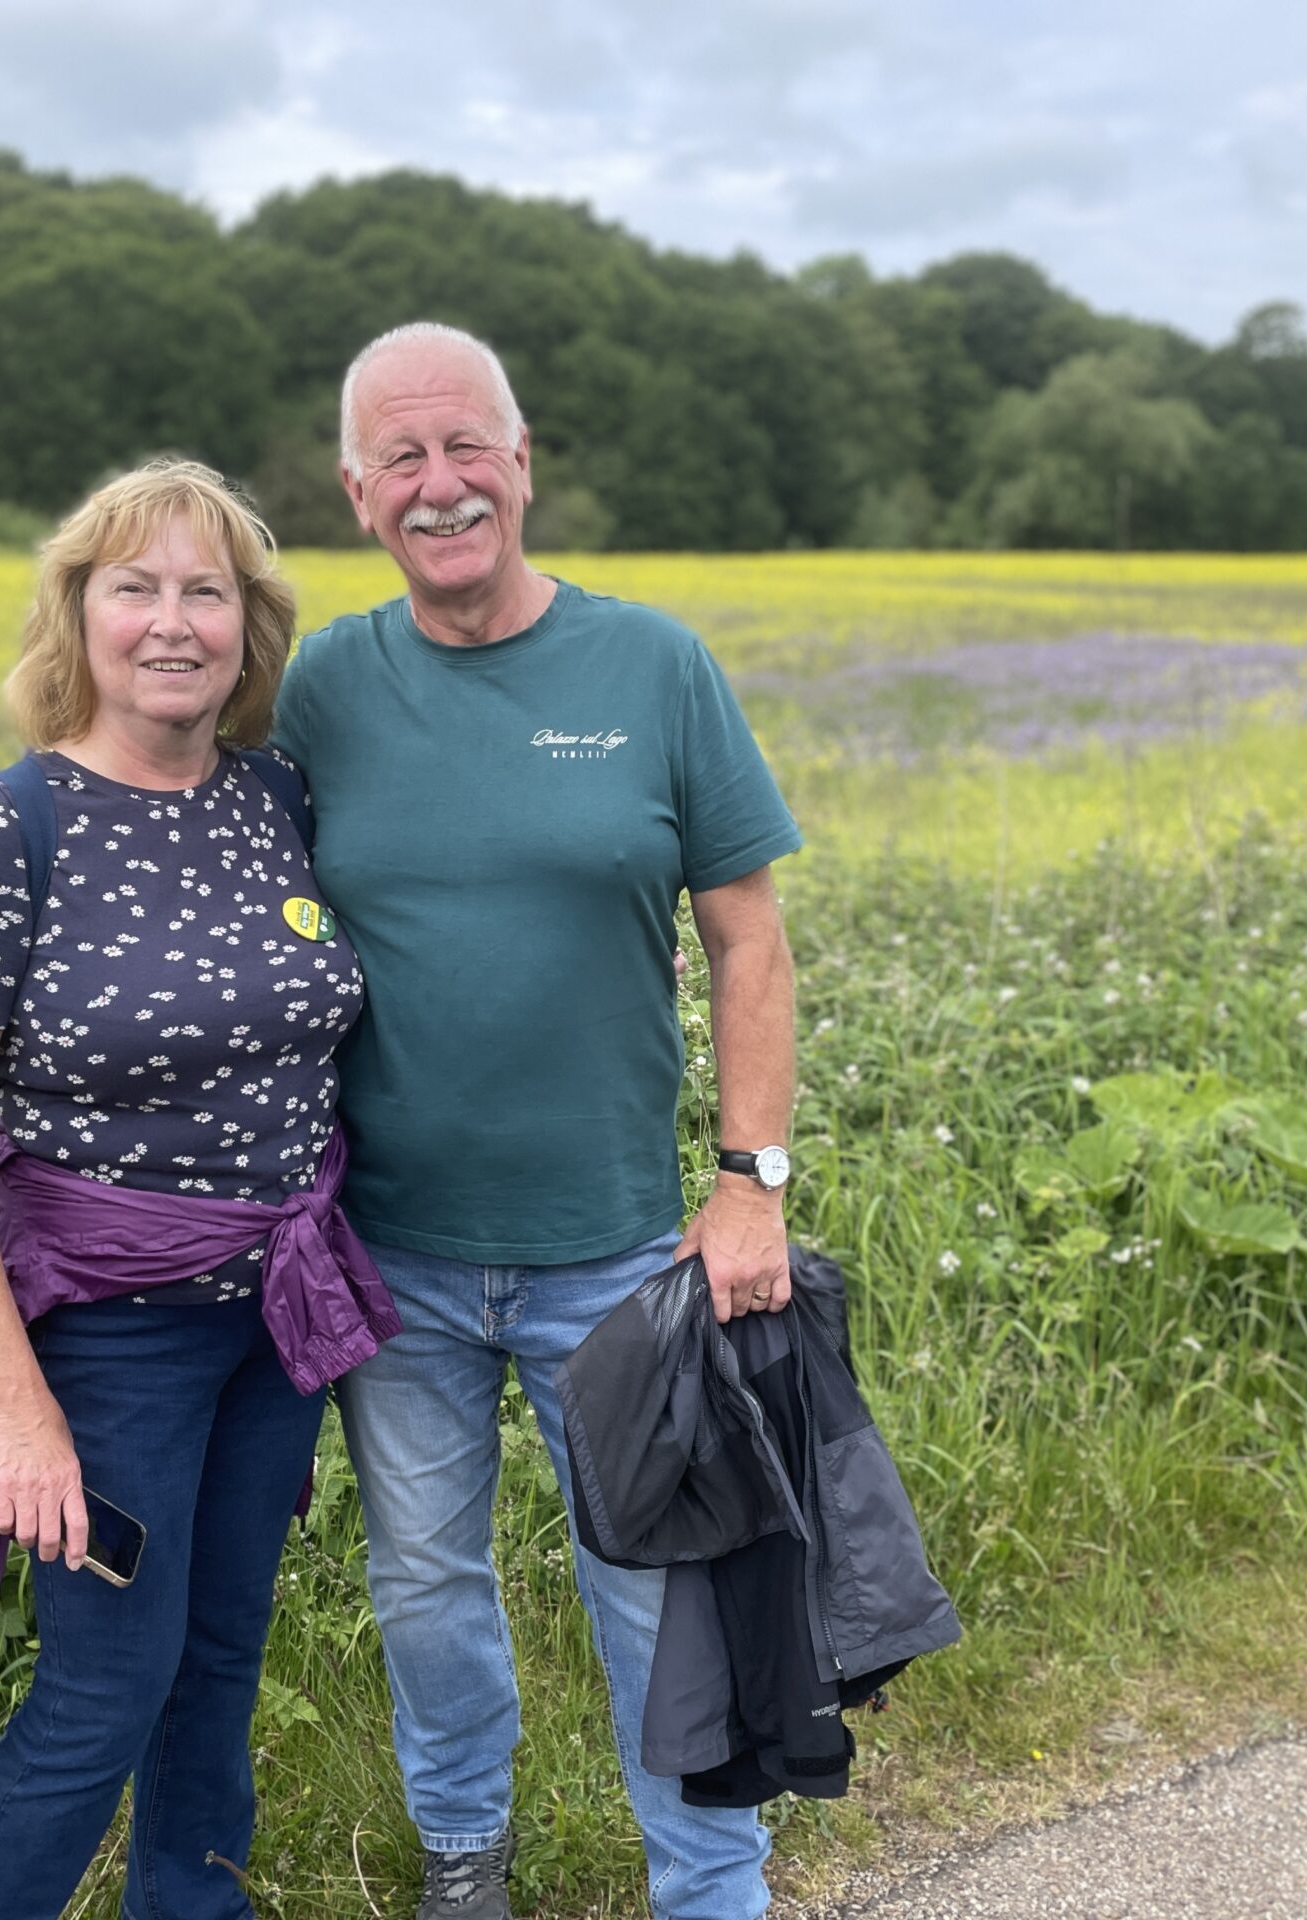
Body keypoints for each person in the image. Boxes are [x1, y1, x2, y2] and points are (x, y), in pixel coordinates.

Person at [268, 323, 803, 1920]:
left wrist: (750, 1182)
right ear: (358, 494)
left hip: (621, 1251)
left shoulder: (656, 668)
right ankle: (463, 1863)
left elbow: (749, 940)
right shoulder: (323, 690)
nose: (443, 488)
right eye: (403, 461)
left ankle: (710, 1888)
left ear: (522, 461)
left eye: (468, 449)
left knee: (659, 1591)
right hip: (396, 1258)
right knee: (426, 1588)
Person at [0, 458, 394, 1920]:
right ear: (77, 615)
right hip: (109, 1343)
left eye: (205, 591)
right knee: (105, 1691)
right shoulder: (3, 827)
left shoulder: (273, 800)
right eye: (134, 588)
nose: (173, 622)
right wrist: (20, 1406)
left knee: (217, 1665)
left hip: (273, 1323)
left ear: (248, 626)